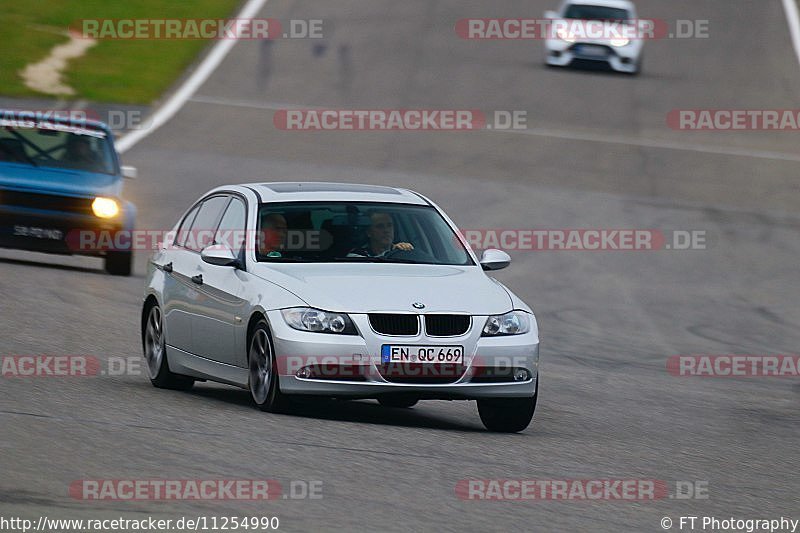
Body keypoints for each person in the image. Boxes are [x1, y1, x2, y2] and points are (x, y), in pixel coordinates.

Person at [348, 211, 413, 257]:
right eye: (380, 226)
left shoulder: (401, 251)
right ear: (369, 232)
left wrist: (406, 250)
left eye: (389, 225)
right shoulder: (355, 256)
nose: (386, 230)